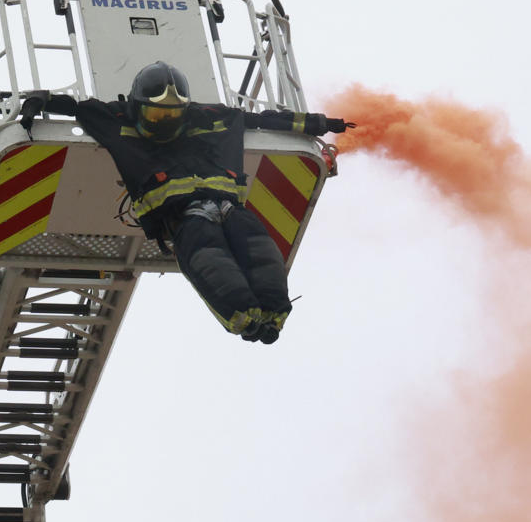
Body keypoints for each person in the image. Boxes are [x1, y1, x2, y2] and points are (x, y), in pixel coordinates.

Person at [19, 64, 352, 344]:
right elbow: (74, 106)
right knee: (210, 259)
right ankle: (243, 318)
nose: (164, 121)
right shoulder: (116, 117)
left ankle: (274, 312)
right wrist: (39, 101)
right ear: (137, 107)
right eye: (156, 113)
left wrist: (320, 123)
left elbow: (264, 120)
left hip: (229, 205)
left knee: (260, 251)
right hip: (183, 215)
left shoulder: (209, 116)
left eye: (171, 114)